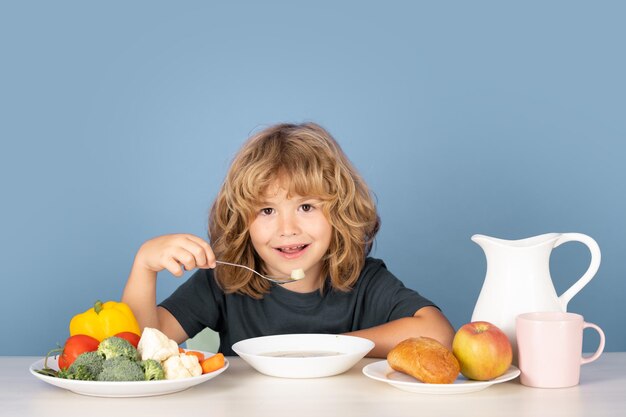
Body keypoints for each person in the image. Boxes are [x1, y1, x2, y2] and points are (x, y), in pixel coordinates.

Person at [122, 122, 454, 357]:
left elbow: (438, 334)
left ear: (339, 212)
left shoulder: (364, 279)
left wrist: (327, 347)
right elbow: (142, 348)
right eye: (266, 210)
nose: (287, 228)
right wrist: (144, 267)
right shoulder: (225, 282)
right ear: (242, 222)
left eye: (306, 206)